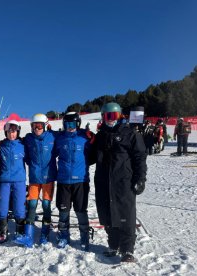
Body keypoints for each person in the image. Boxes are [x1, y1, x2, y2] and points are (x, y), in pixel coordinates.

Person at [92, 102, 147, 263]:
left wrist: (140, 179)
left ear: (120, 116)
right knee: (107, 213)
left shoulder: (130, 134)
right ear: (103, 117)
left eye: (113, 116)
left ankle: (127, 249)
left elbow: (140, 158)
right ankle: (113, 245)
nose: (110, 120)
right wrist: (88, 142)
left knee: (125, 215)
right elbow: (90, 158)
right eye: (107, 116)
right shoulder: (100, 136)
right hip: (103, 181)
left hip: (123, 181)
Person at [14, 113, 57, 248]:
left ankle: (45, 232)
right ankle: (28, 234)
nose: (37, 128)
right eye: (34, 126)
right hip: (34, 177)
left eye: (39, 126)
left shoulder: (53, 136)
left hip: (48, 177)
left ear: (45, 126)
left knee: (45, 205)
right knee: (31, 204)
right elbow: (21, 148)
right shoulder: (28, 138)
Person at [53, 112, 93, 251]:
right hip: (64, 180)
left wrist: (92, 138)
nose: (70, 127)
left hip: (80, 180)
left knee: (81, 210)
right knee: (63, 210)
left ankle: (84, 238)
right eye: (67, 124)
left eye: (73, 124)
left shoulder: (84, 138)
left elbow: (94, 154)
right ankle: (64, 236)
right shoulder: (60, 139)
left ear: (78, 124)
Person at [0, 120, 26, 243]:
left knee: (19, 207)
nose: (12, 134)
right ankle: (3, 230)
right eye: (9, 132)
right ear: (6, 132)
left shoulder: (23, 145)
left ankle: (20, 230)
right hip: (4, 180)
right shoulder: (1, 146)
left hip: (19, 180)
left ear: (17, 132)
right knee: (2, 207)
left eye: (14, 132)